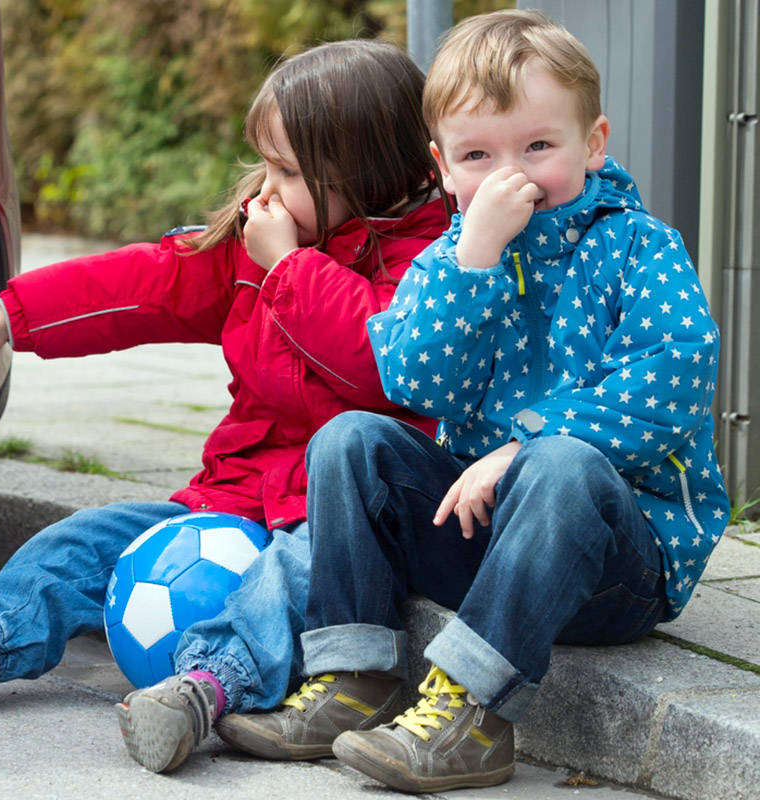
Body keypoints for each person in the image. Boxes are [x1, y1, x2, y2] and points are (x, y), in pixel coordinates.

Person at [0, 38, 448, 774]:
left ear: (366, 173)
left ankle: (206, 690)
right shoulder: (263, 241)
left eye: (290, 171)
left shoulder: (431, 265)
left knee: (286, 585)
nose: (264, 189)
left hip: (333, 524)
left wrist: (293, 267)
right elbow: (143, 284)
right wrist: (8, 319)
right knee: (84, 540)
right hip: (232, 498)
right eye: (266, 163)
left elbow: (375, 365)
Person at [217, 9, 729, 793]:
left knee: (560, 464)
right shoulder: (448, 258)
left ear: (593, 143)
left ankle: (471, 713)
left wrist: (526, 445)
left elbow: (675, 375)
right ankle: (352, 679)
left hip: (617, 568)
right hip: (485, 542)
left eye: (538, 146)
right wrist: (475, 256)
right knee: (352, 439)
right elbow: (414, 380)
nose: (509, 174)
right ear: (443, 165)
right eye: (478, 155)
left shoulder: (637, 246)